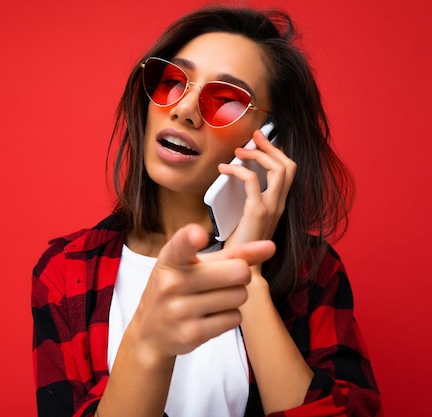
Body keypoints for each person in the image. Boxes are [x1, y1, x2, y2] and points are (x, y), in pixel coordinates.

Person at [32, 5, 381, 417]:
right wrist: (148, 342)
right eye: (173, 82)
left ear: (267, 140)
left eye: (227, 99)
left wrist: (246, 275)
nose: (183, 109)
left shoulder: (314, 272)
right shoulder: (67, 272)